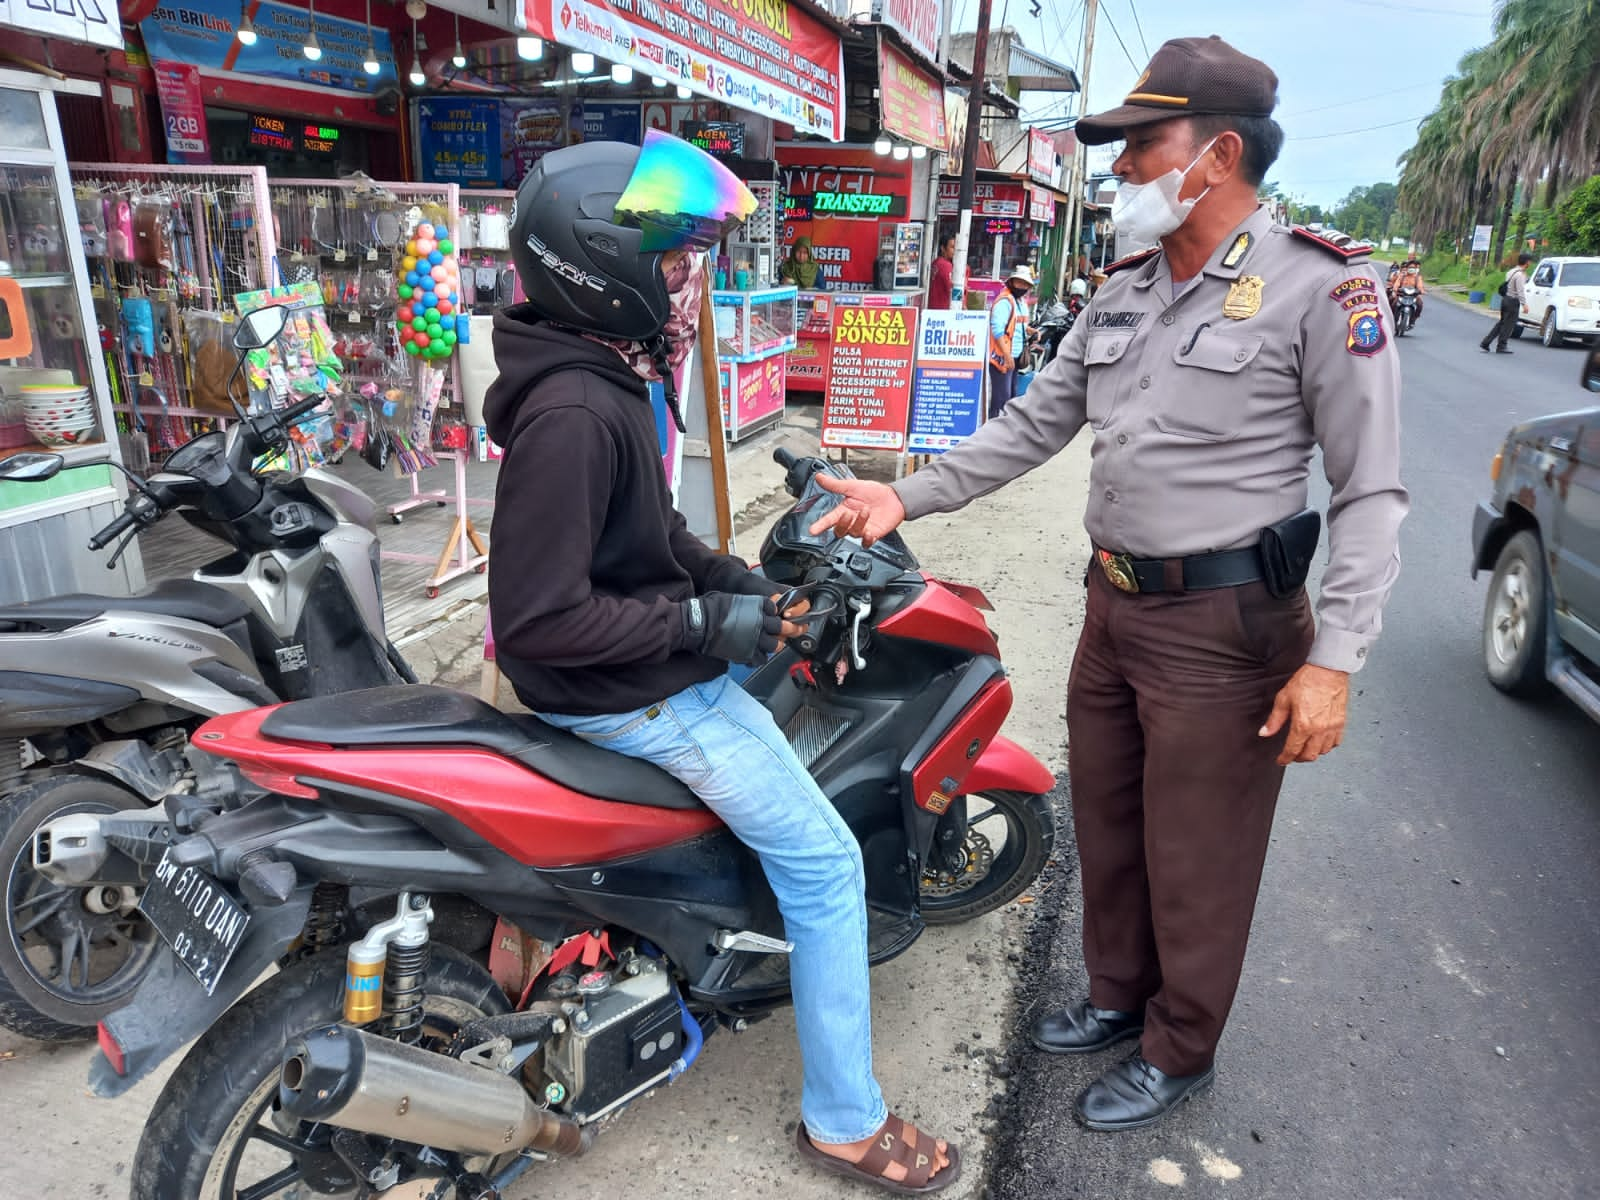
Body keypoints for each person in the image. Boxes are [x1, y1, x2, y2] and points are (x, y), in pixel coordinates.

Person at [807, 35, 1407, 1133]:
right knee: (1111, 817)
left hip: (1226, 623)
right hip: (1115, 606)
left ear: (1216, 154)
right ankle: (1117, 995)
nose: (1121, 165)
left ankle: (1182, 1045)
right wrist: (909, 497)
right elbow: (1038, 422)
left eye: (1142, 142)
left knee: (1199, 846)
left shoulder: (1322, 291)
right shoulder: (1125, 288)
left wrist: (1333, 662)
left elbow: (1372, 492)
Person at [482, 133, 958, 1195]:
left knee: (780, 685)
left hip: (640, 671)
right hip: (625, 700)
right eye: (677, 261)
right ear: (599, 268)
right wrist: (707, 626)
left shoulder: (598, 378)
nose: (692, 283)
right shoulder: (574, 413)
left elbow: (647, 546)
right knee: (828, 869)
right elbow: (537, 623)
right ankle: (845, 1122)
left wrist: (747, 592)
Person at [987, 265, 1033, 418]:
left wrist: (1031, 331)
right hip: (1002, 357)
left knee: (1011, 396)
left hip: (1014, 356)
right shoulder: (1005, 301)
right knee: (1002, 398)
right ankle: (994, 432)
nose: (1023, 287)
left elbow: (1016, 324)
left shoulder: (1019, 301)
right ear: (1012, 282)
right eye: (1020, 283)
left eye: (1025, 284)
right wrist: (1006, 355)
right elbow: (998, 330)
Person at [1481, 252, 1532, 353]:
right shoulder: (1520, 275)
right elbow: (1520, 291)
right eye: (1529, 262)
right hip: (1513, 301)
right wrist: (1524, 304)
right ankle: (1501, 346)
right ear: (1527, 263)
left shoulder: (1512, 271)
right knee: (1508, 325)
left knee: (1501, 323)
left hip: (1505, 299)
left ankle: (1486, 342)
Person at [1387, 253, 1425, 321]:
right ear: (1407, 268)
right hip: (1402, 294)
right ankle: (1391, 316)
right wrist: (1395, 290)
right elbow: (1397, 283)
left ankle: (1414, 318)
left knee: (1420, 304)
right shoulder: (1402, 275)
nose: (1411, 269)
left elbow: (1420, 285)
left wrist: (1421, 290)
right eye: (1410, 267)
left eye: (1413, 268)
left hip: (1413, 295)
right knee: (1394, 303)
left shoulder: (1417, 277)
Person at [928, 234, 957, 309]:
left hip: (932, 307)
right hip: (942, 310)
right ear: (943, 248)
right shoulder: (946, 265)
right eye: (952, 247)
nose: (955, 250)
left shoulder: (935, 263)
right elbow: (952, 289)